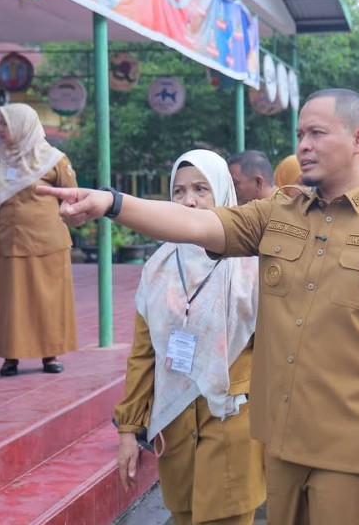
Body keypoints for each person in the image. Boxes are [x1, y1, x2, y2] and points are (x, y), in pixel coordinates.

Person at [38, 88, 359, 524]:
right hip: (280, 441)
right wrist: (112, 202)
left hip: (351, 446)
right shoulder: (278, 212)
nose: (303, 145)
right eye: (300, 134)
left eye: (317, 133)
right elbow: (197, 223)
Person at [113, 149, 265, 525]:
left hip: (233, 420)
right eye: (178, 192)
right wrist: (128, 431)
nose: (188, 201)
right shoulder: (158, 269)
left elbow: (277, 352)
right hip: (177, 425)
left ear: (223, 195)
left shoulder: (250, 267)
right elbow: (143, 355)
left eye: (201, 189)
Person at [0, 103, 78, 377]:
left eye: (4, 124)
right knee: (9, 301)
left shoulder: (55, 159)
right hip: (6, 242)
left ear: (21, 125)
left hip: (47, 242)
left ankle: (50, 355)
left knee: (47, 300)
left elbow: (71, 195)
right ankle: (9, 357)